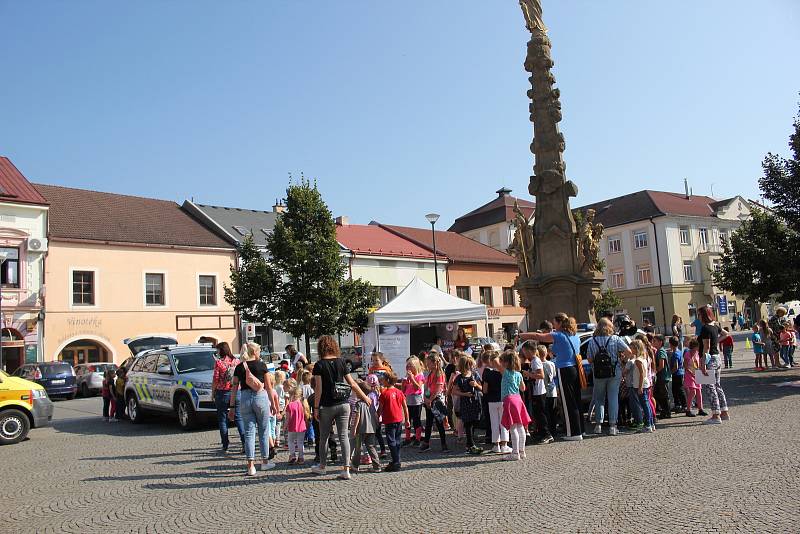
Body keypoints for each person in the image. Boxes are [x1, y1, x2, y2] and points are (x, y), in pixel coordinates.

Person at [310, 336, 371, 480]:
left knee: (324, 437)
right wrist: (365, 397)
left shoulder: (319, 365)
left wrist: (316, 408)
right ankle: (346, 469)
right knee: (343, 436)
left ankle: (322, 467)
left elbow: (318, 388)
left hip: (326, 405)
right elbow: (353, 384)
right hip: (343, 404)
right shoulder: (342, 362)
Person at [519, 313, 583, 440]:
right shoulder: (575, 335)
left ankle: (573, 433)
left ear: (559, 323)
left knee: (567, 403)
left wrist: (522, 335)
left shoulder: (559, 335)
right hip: (575, 368)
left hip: (565, 369)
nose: (553, 326)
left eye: (554, 323)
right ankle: (580, 430)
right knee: (576, 401)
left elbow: (539, 336)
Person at [230, 342, 275, 476]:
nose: (260, 353)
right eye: (259, 351)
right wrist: (273, 404)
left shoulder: (239, 367)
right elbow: (268, 387)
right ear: (254, 352)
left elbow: (234, 387)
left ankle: (251, 466)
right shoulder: (261, 365)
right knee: (264, 429)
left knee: (249, 432)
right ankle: (265, 462)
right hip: (260, 398)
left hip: (244, 398)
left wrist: (232, 406)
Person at [586, 318, 632, 436]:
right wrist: (623, 361)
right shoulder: (615, 339)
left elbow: (590, 359)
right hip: (614, 372)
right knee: (613, 398)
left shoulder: (592, 341)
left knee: (599, 398)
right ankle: (613, 426)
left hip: (598, 373)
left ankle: (598, 425)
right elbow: (629, 351)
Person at [698, 306, 730, 424]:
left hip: (709, 359)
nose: (698, 317)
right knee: (717, 385)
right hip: (717, 358)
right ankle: (724, 412)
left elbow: (705, 347)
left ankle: (716, 415)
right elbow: (726, 334)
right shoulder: (715, 326)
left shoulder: (705, 328)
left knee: (710, 387)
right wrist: (716, 341)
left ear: (704, 315)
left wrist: (703, 364)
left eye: (699, 315)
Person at [211, 342, 245, 453]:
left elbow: (216, 379)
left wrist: (213, 392)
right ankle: (245, 443)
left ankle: (225, 445)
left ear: (221, 350)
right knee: (239, 417)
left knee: (222, 419)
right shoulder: (237, 361)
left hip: (222, 393)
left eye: (218, 350)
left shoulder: (219, 363)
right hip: (236, 392)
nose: (217, 352)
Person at [499, 350, 531, 459]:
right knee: (520, 426)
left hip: (509, 400)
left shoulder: (506, 373)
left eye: (503, 361)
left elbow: (496, 363)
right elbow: (523, 388)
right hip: (518, 399)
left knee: (513, 428)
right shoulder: (518, 374)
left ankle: (515, 453)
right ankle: (522, 451)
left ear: (506, 363)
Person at [520, 341, 552, 443]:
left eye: (524, 351)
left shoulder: (536, 361)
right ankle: (540, 432)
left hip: (539, 391)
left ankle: (547, 434)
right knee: (537, 414)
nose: (524, 353)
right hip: (535, 391)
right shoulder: (533, 360)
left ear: (529, 351)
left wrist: (528, 374)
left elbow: (541, 375)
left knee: (541, 414)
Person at [451, 355, 484, 455]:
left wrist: (476, 385)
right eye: (469, 364)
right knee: (468, 423)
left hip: (475, 401)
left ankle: (470, 444)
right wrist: (464, 394)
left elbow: (481, 388)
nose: (471, 366)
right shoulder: (459, 378)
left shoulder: (475, 374)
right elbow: (454, 391)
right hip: (465, 402)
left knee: (475, 421)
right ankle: (471, 445)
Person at [378, 371, 409, 472]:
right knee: (397, 440)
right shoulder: (399, 392)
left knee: (391, 441)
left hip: (389, 420)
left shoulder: (384, 393)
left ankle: (396, 461)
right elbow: (405, 407)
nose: (381, 381)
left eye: (383, 379)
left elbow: (380, 409)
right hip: (399, 419)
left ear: (387, 380)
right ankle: (396, 459)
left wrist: (376, 418)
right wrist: (407, 419)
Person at [420, 352, 449, 453]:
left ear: (434, 363)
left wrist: (430, 400)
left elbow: (437, 390)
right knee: (428, 423)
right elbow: (427, 387)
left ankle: (444, 444)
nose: (427, 364)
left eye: (428, 363)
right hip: (429, 401)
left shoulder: (439, 374)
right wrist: (426, 398)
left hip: (436, 402)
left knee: (439, 423)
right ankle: (426, 443)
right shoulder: (430, 373)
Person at [482, 351, 511, 453]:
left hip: (491, 400)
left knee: (494, 423)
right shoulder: (503, 372)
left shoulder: (487, 373)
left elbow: (484, 390)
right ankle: (505, 444)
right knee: (503, 423)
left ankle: (496, 445)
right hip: (502, 399)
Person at [350, 381, 381, 472]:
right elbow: (375, 414)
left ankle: (355, 465)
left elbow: (357, 416)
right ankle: (377, 466)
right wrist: (376, 423)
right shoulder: (370, 402)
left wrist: (354, 428)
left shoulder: (358, 404)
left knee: (358, 447)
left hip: (361, 429)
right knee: (371, 447)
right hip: (371, 428)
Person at [627, 339, 654, 433]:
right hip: (644, 384)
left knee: (645, 405)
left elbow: (642, 374)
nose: (630, 350)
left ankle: (648, 425)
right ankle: (651, 423)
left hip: (640, 385)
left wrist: (640, 387)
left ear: (636, 348)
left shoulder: (638, 360)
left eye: (632, 348)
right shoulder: (643, 358)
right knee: (646, 404)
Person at [401, 357, 424, 447]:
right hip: (408, 400)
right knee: (407, 420)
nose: (408, 367)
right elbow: (404, 390)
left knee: (416, 420)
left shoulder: (420, 376)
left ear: (416, 367)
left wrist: (412, 378)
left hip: (417, 400)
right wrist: (404, 383)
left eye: (411, 366)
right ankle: (407, 438)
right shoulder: (407, 377)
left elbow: (417, 387)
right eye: (407, 366)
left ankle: (418, 438)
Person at [285, 382, 310, 465]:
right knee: (300, 442)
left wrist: (284, 426)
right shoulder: (303, 404)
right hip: (301, 426)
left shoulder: (290, 405)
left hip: (292, 426)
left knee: (291, 441)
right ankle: (301, 457)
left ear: (291, 395)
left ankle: (292, 455)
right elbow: (306, 416)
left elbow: (287, 418)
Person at [652, 335, 673, 420]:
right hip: (661, 377)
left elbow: (661, 365)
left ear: (660, 342)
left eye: (655, 341)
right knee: (659, 394)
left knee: (664, 395)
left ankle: (667, 412)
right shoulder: (659, 351)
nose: (653, 343)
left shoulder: (661, 351)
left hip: (663, 377)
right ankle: (664, 411)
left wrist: (655, 371)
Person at [683, 338, 705, 417]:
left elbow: (698, 363)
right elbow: (685, 365)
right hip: (690, 375)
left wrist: (701, 370)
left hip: (697, 374)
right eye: (697, 347)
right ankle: (688, 410)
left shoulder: (697, 353)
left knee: (699, 392)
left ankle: (700, 409)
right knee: (693, 392)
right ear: (694, 347)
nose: (698, 348)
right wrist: (691, 372)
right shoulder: (687, 354)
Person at [541, 345, 558, 440]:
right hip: (553, 390)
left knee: (546, 412)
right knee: (553, 412)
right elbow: (554, 375)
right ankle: (554, 430)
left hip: (545, 391)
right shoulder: (551, 363)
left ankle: (549, 431)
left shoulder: (540, 365)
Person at [669, 336, 687, 413]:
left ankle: (684, 405)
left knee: (679, 390)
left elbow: (676, 366)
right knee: (675, 390)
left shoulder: (675, 354)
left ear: (671, 344)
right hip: (680, 373)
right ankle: (678, 404)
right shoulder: (679, 351)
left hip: (677, 374)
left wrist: (670, 373)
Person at [274, 370, 288, 450]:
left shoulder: (274, 387)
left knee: (277, 425)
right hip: (283, 407)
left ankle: (277, 440)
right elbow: (287, 398)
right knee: (285, 425)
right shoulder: (283, 387)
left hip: (277, 407)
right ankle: (286, 441)